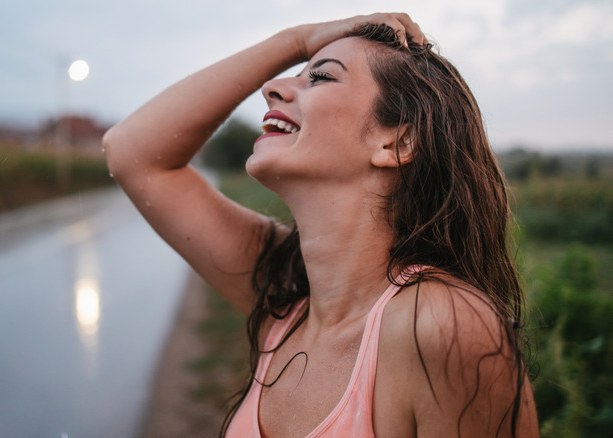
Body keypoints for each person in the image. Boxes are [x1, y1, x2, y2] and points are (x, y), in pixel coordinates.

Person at [104, 12, 539, 438]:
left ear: (397, 141)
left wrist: (300, 44)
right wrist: (296, 40)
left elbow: (134, 156)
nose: (272, 88)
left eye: (321, 77)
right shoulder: (285, 296)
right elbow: (130, 152)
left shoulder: (444, 327)